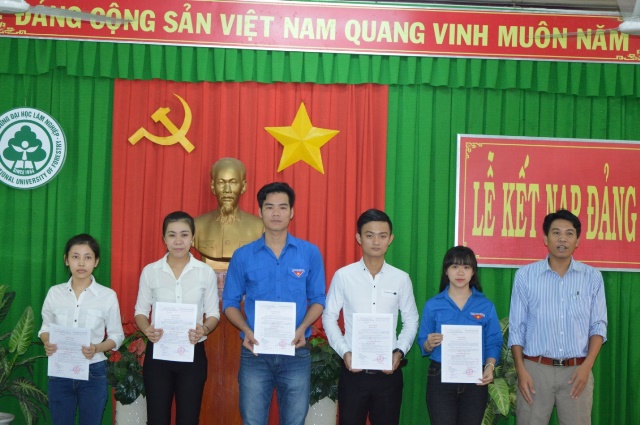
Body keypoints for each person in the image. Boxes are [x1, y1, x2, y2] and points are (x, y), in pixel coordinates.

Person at [222, 182, 326, 425]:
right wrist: (246, 330)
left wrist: (303, 328)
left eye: (282, 207)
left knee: (294, 422)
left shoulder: (309, 253)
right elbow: (229, 302)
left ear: (292, 212)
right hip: (255, 352)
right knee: (252, 421)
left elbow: (318, 300)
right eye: (269, 207)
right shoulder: (243, 255)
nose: (276, 213)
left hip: (296, 352)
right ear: (260, 212)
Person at [508, 209, 607, 425]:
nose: (562, 239)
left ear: (577, 241)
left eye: (569, 233)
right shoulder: (525, 276)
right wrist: (521, 370)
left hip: (577, 371)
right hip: (535, 370)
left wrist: (587, 367)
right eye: (556, 233)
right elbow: (517, 327)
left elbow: (598, 326)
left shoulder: (592, 277)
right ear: (545, 238)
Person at [322, 209, 419, 425]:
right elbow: (329, 317)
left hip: (388, 374)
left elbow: (411, 320)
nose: (376, 241)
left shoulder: (401, 279)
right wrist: (345, 351)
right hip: (353, 373)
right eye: (369, 235)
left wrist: (399, 351)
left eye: (382, 236)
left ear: (390, 239)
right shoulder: (344, 276)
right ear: (359, 238)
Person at [134, 211, 220, 425]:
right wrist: (147, 329)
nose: (178, 241)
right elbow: (140, 312)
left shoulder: (205, 272)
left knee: (188, 419)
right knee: (157, 419)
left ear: (193, 238)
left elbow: (213, 314)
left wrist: (204, 329)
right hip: (159, 353)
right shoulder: (151, 271)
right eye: (172, 235)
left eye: (184, 234)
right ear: (164, 238)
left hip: (193, 353)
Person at [39, 234, 125, 425]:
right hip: (60, 369)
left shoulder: (107, 296)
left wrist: (97, 348)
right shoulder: (55, 293)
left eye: (88, 257)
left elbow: (117, 336)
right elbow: (45, 327)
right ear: (66, 260)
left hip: (93, 370)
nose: (81, 263)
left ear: (96, 261)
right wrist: (47, 341)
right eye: (75, 256)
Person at [417, 245, 502, 425]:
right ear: (446, 271)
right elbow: (423, 340)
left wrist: (489, 367)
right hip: (440, 376)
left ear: (473, 272)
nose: (460, 272)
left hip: (475, 378)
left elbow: (493, 341)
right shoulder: (433, 305)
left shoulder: (486, 305)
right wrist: (428, 344)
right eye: (454, 266)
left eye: (466, 267)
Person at [194, 157, 264, 268]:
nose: (227, 190)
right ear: (213, 186)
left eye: (233, 182)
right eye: (221, 182)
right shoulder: (196, 225)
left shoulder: (260, 227)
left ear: (243, 186)